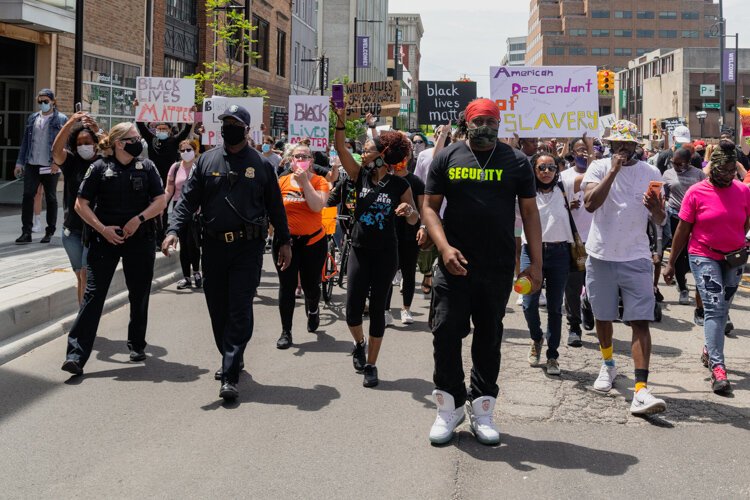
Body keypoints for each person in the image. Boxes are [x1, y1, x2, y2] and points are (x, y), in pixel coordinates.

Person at [423, 98, 542, 445]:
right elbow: (430, 209)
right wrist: (443, 248)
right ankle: (450, 405)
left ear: (499, 124)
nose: (486, 129)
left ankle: (483, 407)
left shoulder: (517, 162)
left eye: (492, 122)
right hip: (452, 264)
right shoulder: (446, 157)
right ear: (467, 123)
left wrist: (536, 264)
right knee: (445, 332)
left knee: (489, 337)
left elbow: (531, 215)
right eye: (479, 122)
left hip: (496, 266)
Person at [163, 105, 292, 401]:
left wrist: (284, 242)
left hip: (248, 248)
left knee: (239, 307)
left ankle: (230, 371)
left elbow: (275, 207)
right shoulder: (206, 161)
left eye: (235, 123)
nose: (228, 127)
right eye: (225, 123)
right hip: (214, 247)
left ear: (246, 129)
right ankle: (231, 354)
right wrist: (172, 230)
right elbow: (187, 202)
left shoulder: (261, 165)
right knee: (217, 307)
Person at [60, 122, 166, 376]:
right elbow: (80, 204)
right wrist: (102, 228)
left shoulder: (147, 167)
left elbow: (161, 201)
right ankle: (75, 355)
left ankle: (137, 344)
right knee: (93, 296)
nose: (138, 141)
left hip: (139, 238)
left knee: (139, 293)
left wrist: (138, 219)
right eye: (133, 137)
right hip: (104, 240)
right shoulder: (98, 168)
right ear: (119, 143)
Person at [582, 120, 667, 415]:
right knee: (603, 316)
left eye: (629, 144)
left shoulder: (651, 173)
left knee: (640, 320)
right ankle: (608, 365)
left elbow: (659, 219)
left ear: (637, 146)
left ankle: (641, 390)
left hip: (636, 256)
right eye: (618, 144)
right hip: (601, 254)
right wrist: (613, 171)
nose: (624, 148)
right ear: (610, 145)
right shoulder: (597, 168)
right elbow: (590, 204)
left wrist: (655, 208)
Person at [333, 106, 419, 388]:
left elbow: (415, 217)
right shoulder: (358, 176)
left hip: (386, 253)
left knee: (379, 310)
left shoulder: (400, 184)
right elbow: (341, 149)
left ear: (383, 155)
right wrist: (341, 120)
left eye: (368, 149)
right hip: (359, 249)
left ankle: (371, 364)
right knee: (352, 309)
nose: (363, 152)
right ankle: (358, 343)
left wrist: (408, 211)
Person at [664, 140, 750, 393]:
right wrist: (670, 263)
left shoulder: (743, 191)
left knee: (723, 308)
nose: (726, 176)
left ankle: (709, 349)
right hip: (703, 255)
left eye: (731, 172)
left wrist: (735, 242)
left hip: (733, 257)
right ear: (712, 169)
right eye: (722, 172)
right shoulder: (696, 192)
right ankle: (718, 368)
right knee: (713, 308)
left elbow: (745, 224)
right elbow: (683, 229)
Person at [273, 143, 329, 349]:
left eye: (306, 156)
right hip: (286, 243)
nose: (301, 159)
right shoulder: (281, 182)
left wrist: (305, 182)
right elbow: (274, 211)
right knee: (287, 286)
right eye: (297, 156)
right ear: (290, 160)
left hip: (313, 242)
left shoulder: (320, 181)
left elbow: (316, 206)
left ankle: (313, 309)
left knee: (310, 285)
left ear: (312, 160)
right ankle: (286, 331)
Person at [522, 153, 574, 376]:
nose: (546, 172)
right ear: (533, 169)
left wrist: (589, 149)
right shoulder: (525, 193)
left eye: (551, 167)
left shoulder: (565, 189)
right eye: (541, 167)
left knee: (554, 307)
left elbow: (589, 174)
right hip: (531, 253)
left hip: (559, 252)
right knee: (528, 302)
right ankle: (536, 338)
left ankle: (552, 356)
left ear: (557, 170)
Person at [51, 111, 102, 304]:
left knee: (85, 275)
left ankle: (83, 320)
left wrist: (98, 129)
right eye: (79, 143)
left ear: (96, 143)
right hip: (71, 230)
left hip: (94, 230)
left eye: (88, 142)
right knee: (80, 275)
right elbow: (56, 150)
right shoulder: (72, 162)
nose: (83, 146)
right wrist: (70, 122)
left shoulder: (103, 162)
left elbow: (113, 148)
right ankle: (84, 314)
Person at [14, 88, 68, 245]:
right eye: (40, 101)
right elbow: (25, 142)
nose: (43, 104)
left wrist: (57, 162)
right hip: (32, 164)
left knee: (50, 197)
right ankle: (26, 232)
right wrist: (19, 163)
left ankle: (49, 231)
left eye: (46, 101)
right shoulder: (32, 118)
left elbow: (65, 142)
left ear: (52, 101)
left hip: (50, 165)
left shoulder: (61, 119)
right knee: (27, 196)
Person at [560, 135, 596, 346]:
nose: (585, 153)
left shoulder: (601, 173)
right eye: (581, 149)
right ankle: (574, 325)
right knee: (573, 286)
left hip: (598, 240)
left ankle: (588, 307)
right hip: (574, 241)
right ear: (572, 153)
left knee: (593, 284)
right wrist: (566, 208)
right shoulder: (564, 176)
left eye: (588, 150)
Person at [135, 116, 195, 243]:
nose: (161, 130)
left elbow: (185, 130)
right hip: (153, 180)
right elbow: (141, 125)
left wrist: (190, 117)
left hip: (169, 181)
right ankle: (154, 235)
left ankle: (161, 236)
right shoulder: (152, 140)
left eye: (164, 128)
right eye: (159, 128)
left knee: (164, 209)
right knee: (153, 209)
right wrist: (138, 109)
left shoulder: (174, 141)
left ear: (169, 130)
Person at [661, 146, 706, 310]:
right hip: (675, 216)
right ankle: (683, 288)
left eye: (680, 164)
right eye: (674, 163)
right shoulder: (668, 174)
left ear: (688, 163)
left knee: (692, 253)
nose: (677, 167)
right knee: (678, 254)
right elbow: (662, 193)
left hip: (695, 219)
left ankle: (687, 278)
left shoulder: (699, 175)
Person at [384, 152, 426, 325]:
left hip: (410, 232)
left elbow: (423, 208)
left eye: (403, 157)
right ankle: (385, 311)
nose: (399, 162)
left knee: (408, 272)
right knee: (386, 273)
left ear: (408, 158)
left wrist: (423, 227)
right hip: (387, 232)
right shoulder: (385, 179)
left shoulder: (416, 182)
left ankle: (406, 309)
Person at [164, 139, 202, 289]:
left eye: (189, 150)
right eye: (183, 150)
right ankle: (186, 276)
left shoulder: (198, 167)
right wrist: (162, 205)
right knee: (183, 244)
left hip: (194, 210)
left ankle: (197, 272)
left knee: (193, 243)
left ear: (195, 151)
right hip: (178, 209)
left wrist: (200, 207)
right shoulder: (174, 168)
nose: (186, 153)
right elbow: (169, 189)